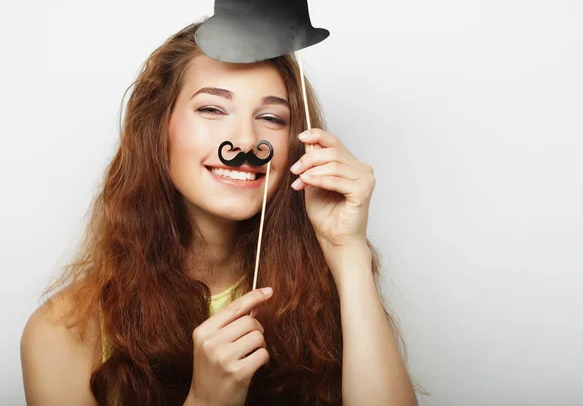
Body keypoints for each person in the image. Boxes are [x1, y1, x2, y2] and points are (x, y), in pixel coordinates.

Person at [20, 22, 419, 406]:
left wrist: (346, 249)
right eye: (212, 109)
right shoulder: (63, 331)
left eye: (271, 118)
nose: (246, 141)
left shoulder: (324, 289)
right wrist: (207, 401)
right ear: (158, 129)